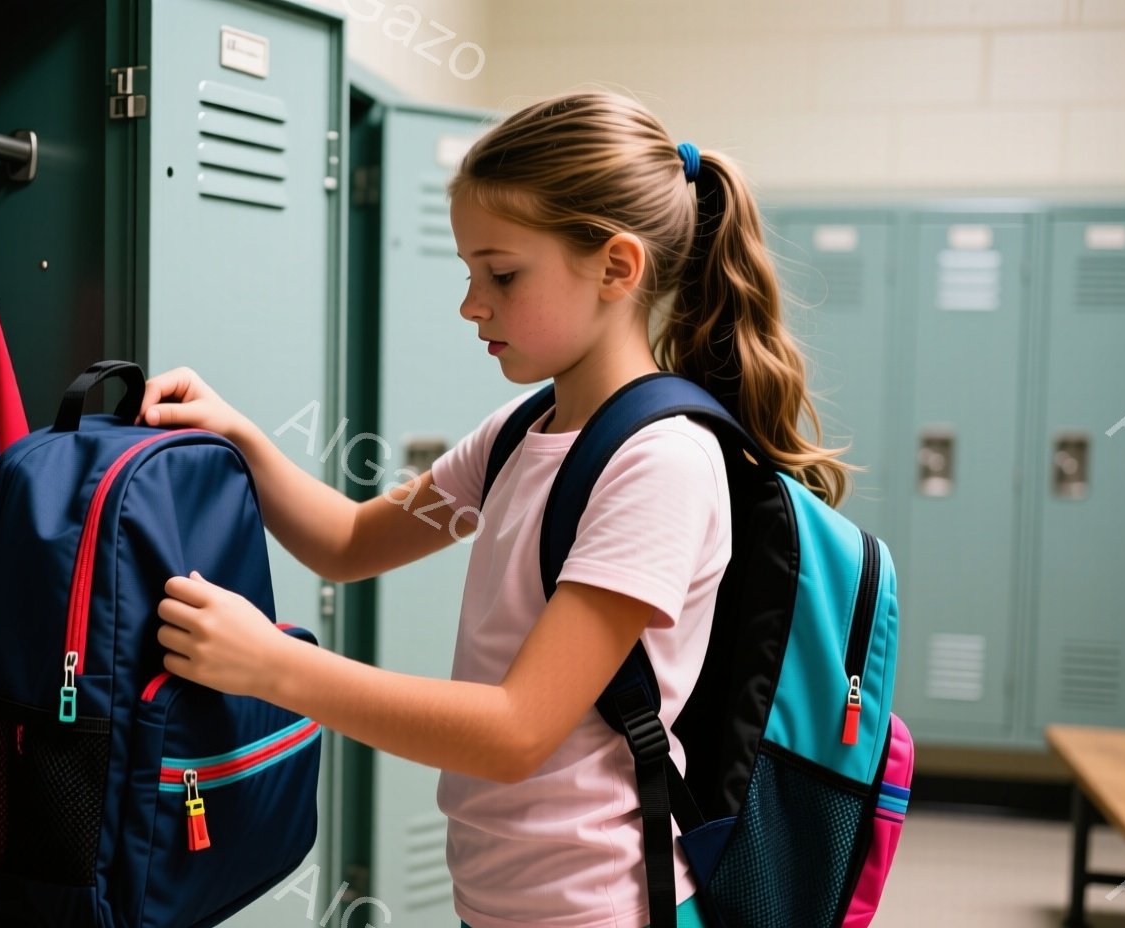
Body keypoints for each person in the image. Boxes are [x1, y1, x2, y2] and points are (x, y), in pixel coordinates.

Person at [133, 91, 856, 928]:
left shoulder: (662, 463)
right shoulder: (519, 434)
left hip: (599, 908)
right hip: (506, 898)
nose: (472, 305)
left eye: (502, 274)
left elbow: (516, 730)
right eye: (470, 274)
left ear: (617, 268)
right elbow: (348, 541)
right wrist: (243, 439)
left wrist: (273, 668)